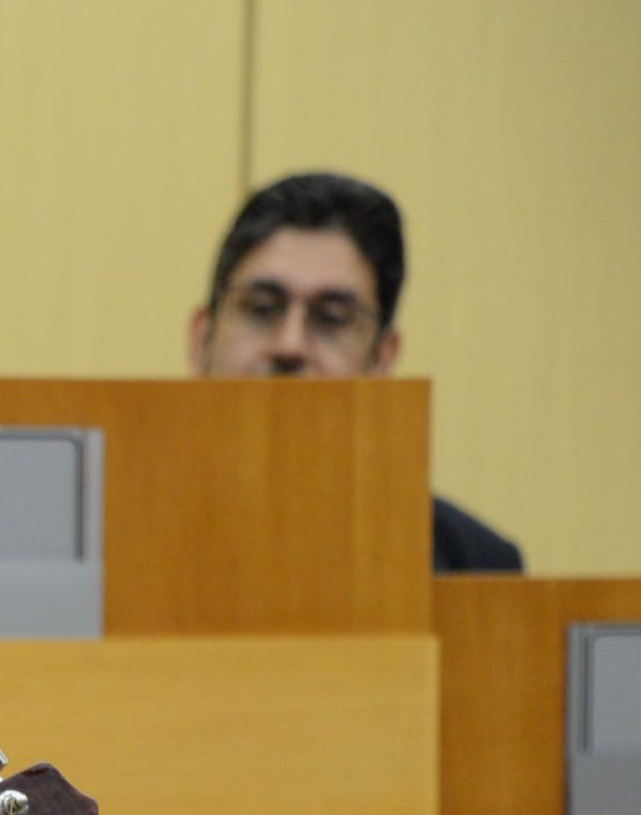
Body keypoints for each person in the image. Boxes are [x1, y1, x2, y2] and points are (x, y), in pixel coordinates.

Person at [187, 171, 519, 572]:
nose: (289, 346)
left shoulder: (470, 561)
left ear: (381, 358)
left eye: (331, 318)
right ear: (201, 339)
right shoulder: (106, 532)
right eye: (260, 308)